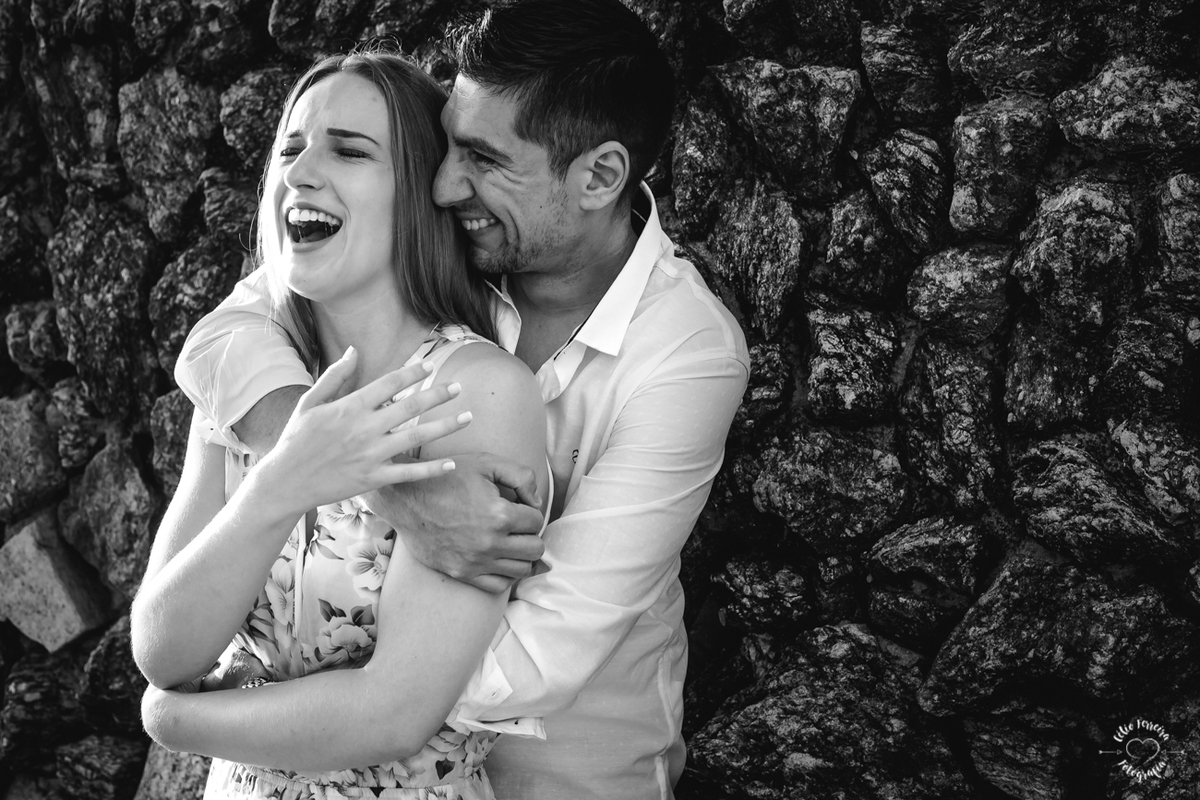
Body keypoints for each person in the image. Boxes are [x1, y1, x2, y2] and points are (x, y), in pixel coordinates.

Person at [170, 1, 750, 797]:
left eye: (482, 158)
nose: (443, 184)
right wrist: (382, 488)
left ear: (599, 177)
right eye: (448, 145)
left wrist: (284, 699)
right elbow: (228, 332)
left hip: (569, 775)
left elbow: (544, 651)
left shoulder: (687, 354)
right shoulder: (447, 243)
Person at [131, 48, 550, 799]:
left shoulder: (475, 393)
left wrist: (172, 720)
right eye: (289, 150)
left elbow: (393, 714)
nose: (301, 171)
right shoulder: (251, 379)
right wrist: (281, 482)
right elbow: (163, 648)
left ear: (419, 196)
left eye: (350, 151)